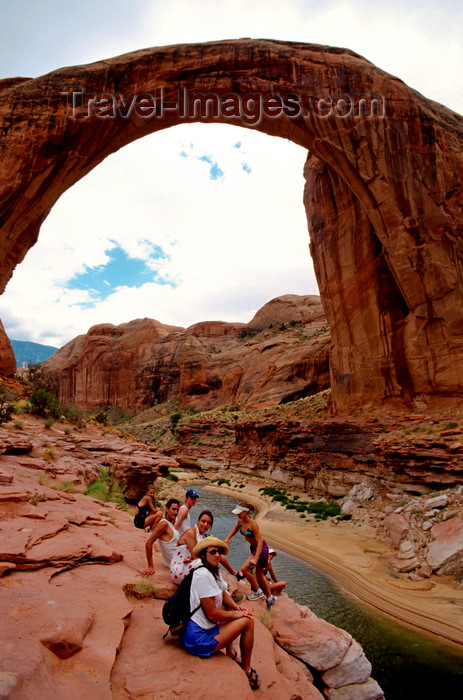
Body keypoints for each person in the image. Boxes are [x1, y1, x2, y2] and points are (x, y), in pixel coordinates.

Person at [183, 536, 260, 691]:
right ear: (204, 555)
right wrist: (237, 616)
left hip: (206, 629)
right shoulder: (203, 575)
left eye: (218, 552)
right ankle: (246, 669)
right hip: (198, 639)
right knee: (248, 621)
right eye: (213, 552)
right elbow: (212, 614)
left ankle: (231, 651)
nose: (217, 555)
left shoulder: (213, 571)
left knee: (233, 609)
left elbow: (223, 593)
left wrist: (237, 609)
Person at [225, 503, 277, 610]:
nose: (238, 515)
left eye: (240, 513)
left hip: (260, 550)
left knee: (244, 569)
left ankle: (258, 592)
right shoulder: (240, 522)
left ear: (246, 512)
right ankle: (270, 598)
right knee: (260, 575)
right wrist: (228, 538)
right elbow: (235, 530)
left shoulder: (252, 524)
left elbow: (260, 542)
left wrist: (256, 558)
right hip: (254, 549)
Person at [170, 509, 213, 584]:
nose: (205, 525)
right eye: (203, 521)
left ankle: (221, 585)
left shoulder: (202, 537)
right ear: (198, 521)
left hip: (189, 565)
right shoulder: (191, 533)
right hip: (178, 569)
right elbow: (196, 556)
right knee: (202, 563)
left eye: (208, 523)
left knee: (215, 558)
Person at [141, 498, 180, 576]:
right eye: (173, 509)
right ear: (167, 509)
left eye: (177, 510)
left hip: (178, 560)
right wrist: (150, 566)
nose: (176, 512)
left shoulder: (170, 524)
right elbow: (148, 543)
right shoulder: (164, 524)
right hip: (177, 563)